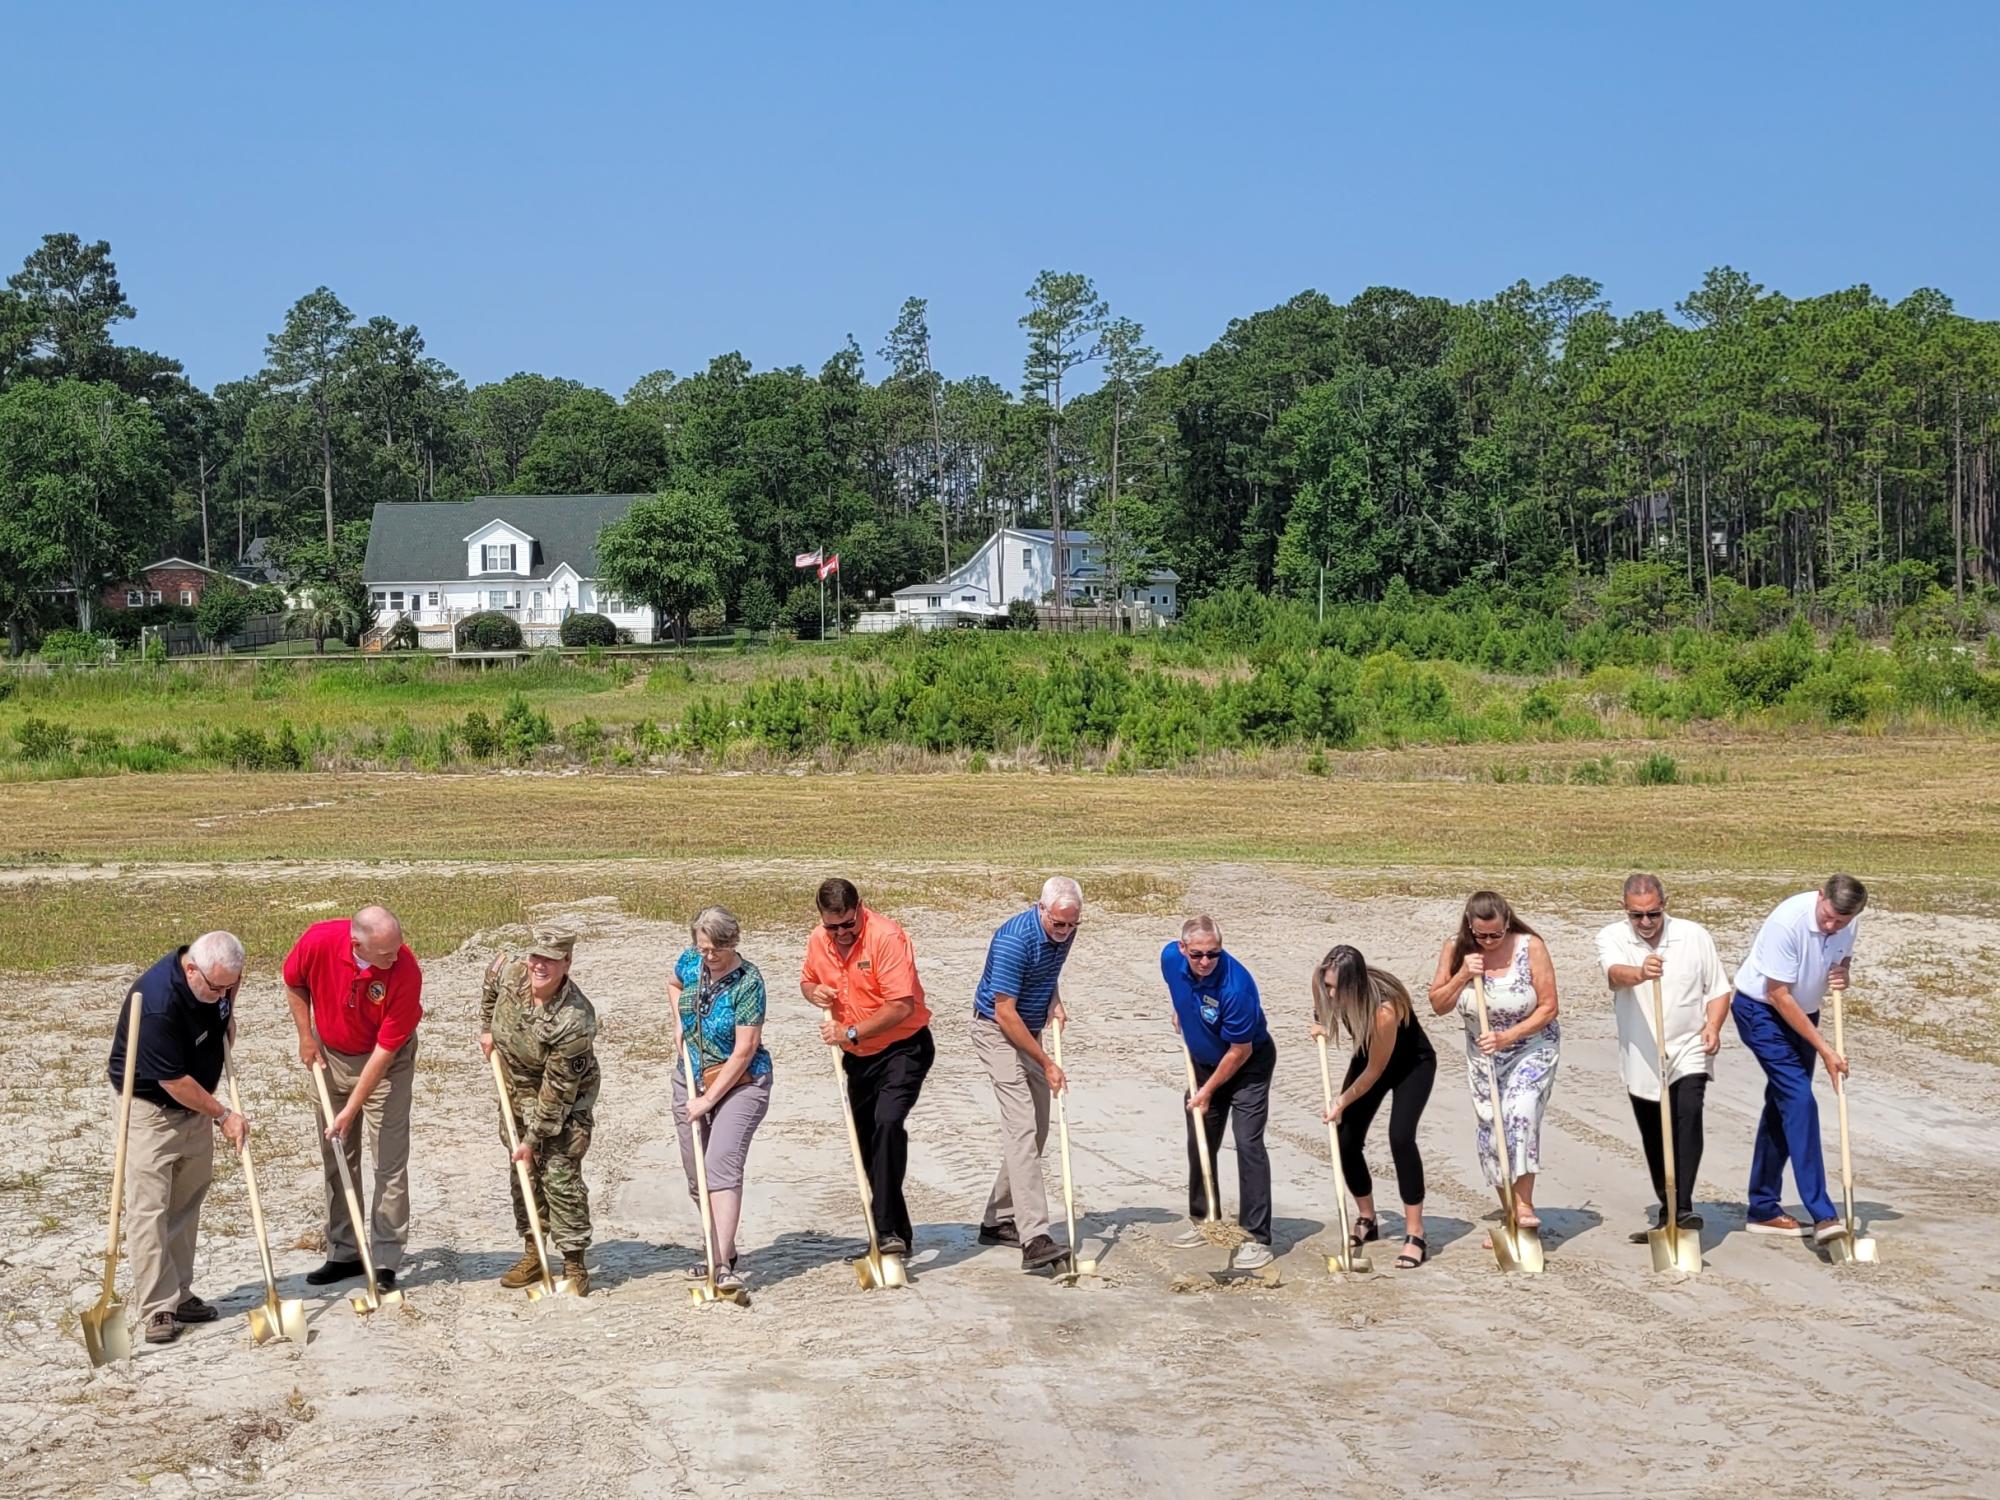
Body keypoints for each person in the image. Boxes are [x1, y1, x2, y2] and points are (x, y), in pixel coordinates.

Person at [104, 932, 249, 1345]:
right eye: (215, 986)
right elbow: (173, 1082)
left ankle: (181, 1294)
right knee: (149, 1210)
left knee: (186, 1202)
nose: (221, 992)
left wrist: (227, 1006)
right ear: (191, 970)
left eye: (228, 985)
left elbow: (233, 979)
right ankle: (157, 1309)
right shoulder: (156, 1004)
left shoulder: (220, 975)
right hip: (151, 1109)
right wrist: (223, 1115)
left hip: (195, 1107)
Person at [283, 905, 423, 1291]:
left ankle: (385, 1259)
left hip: (385, 1065)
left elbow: (384, 1052)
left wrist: (351, 1108)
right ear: (356, 942)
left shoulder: (405, 970)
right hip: (330, 1057)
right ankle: (345, 1252)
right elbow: (294, 981)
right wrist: (305, 1036)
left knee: (388, 1161)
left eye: (398, 948)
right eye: (385, 953)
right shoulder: (318, 941)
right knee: (337, 1155)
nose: (394, 958)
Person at [799, 878, 934, 1259]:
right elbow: (808, 981)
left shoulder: (886, 937)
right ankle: (896, 1234)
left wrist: (851, 1030)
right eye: (833, 926)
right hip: (858, 1059)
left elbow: (901, 1006)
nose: (841, 933)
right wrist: (815, 994)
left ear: (860, 909)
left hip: (904, 1048)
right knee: (868, 1145)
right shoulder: (817, 940)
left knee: (888, 1124)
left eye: (848, 925)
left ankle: (886, 1229)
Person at [1731, 875, 1867, 1245]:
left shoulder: (1847, 922)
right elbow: (1778, 994)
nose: (1832, 925)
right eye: (1828, 916)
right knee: (1800, 1100)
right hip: (1760, 1011)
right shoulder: (1786, 922)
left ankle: (1763, 1207)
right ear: (1820, 896)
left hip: (1805, 1014)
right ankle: (1823, 1213)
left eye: (1840, 921)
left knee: (1783, 1106)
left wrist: (1844, 974)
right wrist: (1825, 1049)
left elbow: (1842, 959)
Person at [1595, 875, 1731, 1243]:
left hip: (1689, 1045)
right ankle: (1667, 1209)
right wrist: (1640, 972)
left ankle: (1683, 1208)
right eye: (1637, 915)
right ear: (1625, 908)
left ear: (1664, 904)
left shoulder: (1694, 935)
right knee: (1654, 1133)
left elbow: (1718, 990)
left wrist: (1714, 1027)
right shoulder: (1611, 937)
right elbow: (1614, 974)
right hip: (1641, 1051)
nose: (1646, 922)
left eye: (1653, 913)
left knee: (1688, 1113)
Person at [1428, 891, 1560, 1245]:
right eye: (1481, 935)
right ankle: (1509, 1214)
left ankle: (1525, 1205)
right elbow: (1438, 1004)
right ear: (1470, 926)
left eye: (1495, 935)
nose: (1488, 941)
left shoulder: (1530, 946)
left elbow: (1549, 1007)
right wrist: (1460, 976)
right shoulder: (1456, 948)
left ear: (1507, 924)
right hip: (1483, 1054)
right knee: (1491, 1128)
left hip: (1532, 1045)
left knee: (1520, 1112)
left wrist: (1508, 1037)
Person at [481, 928, 600, 1296]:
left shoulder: (575, 1020)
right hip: (514, 1086)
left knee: (560, 1175)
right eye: (536, 957)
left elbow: (558, 1092)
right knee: (523, 1174)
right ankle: (534, 1253)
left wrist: (533, 1139)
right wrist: (487, 1028)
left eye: (550, 959)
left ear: (567, 962)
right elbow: (490, 982)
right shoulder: (511, 970)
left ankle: (574, 1265)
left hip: (563, 1098)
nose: (539, 965)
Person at [971, 877, 1081, 1272]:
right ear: (1041, 910)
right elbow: (1004, 1012)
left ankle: (997, 1219)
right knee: (1020, 1128)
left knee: (1037, 1128)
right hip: (996, 1030)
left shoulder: (1064, 933)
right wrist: (1048, 1062)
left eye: (1072, 925)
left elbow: (1046, 974)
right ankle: (1034, 1236)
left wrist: (1055, 1000)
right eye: (1058, 924)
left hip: (1029, 1028)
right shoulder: (1013, 940)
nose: (1065, 932)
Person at [1163, 915, 1278, 1271]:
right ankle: (1205, 1218)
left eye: (1213, 954)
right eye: (1197, 954)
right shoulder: (1170, 959)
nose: (1205, 962)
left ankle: (1257, 1236)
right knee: (1201, 1138)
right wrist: (1185, 1010)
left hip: (1248, 1066)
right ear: (1183, 949)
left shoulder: (1236, 987)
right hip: (1204, 1060)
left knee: (1248, 1143)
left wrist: (1207, 1091)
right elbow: (1180, 988)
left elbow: (1239, 1051)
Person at [1310, 944, 1435, 1269]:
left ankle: (1415, 1232)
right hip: (1370, 1055)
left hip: (1411, 1065)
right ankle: (1367, 1218)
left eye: (1338, 987)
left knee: (1400, 1137)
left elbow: (1375, 1071)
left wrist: (1341, 1101)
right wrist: (1321, 1025)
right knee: (1346, 1139)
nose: (1331, 992)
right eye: (1328, 985)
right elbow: (1322, 1011)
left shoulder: (1384, 1009)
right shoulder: (1323, 982)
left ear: (1357, 984)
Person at [667, 906, 772, 1291]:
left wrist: (709, 1101)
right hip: (689, 1077)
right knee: (697, 1175)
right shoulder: (691, 960)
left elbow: (745, 1050)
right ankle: (719, 1244)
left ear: (732, 943)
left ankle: (720, 1263)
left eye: (716, 950)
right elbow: (674, 982)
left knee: (719, 1167)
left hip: (741, 1082)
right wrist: (679, 1022)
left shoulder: (749, 982)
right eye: (703, 948)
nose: (708, 957)